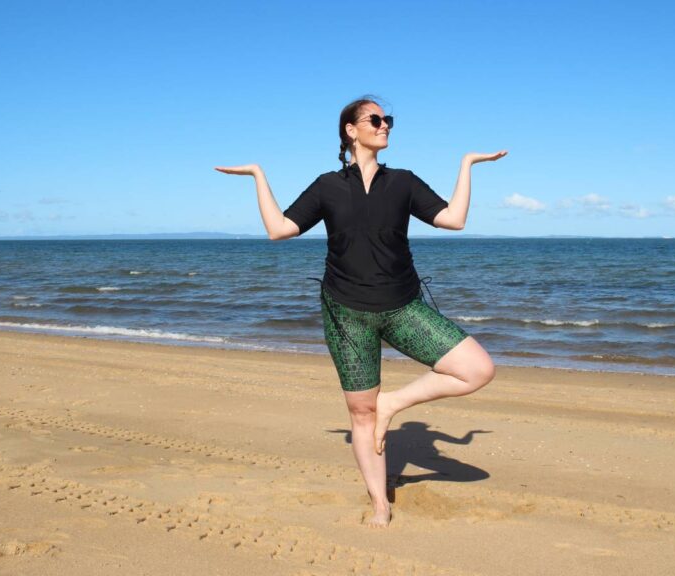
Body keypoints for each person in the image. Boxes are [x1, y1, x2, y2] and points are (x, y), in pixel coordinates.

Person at [215, 96, 506, 527]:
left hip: (403, 306)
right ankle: (380, 504)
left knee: (477, 369)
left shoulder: (403, 182)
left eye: (388, 119)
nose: (384, 125)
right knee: (360, 414)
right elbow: (280, 230)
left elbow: (454, 219)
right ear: (351, 130)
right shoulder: (327, 186)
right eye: (375, 119)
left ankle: (392, 403)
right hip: (346, 313)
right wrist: (258, 175)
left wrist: (466, 164)